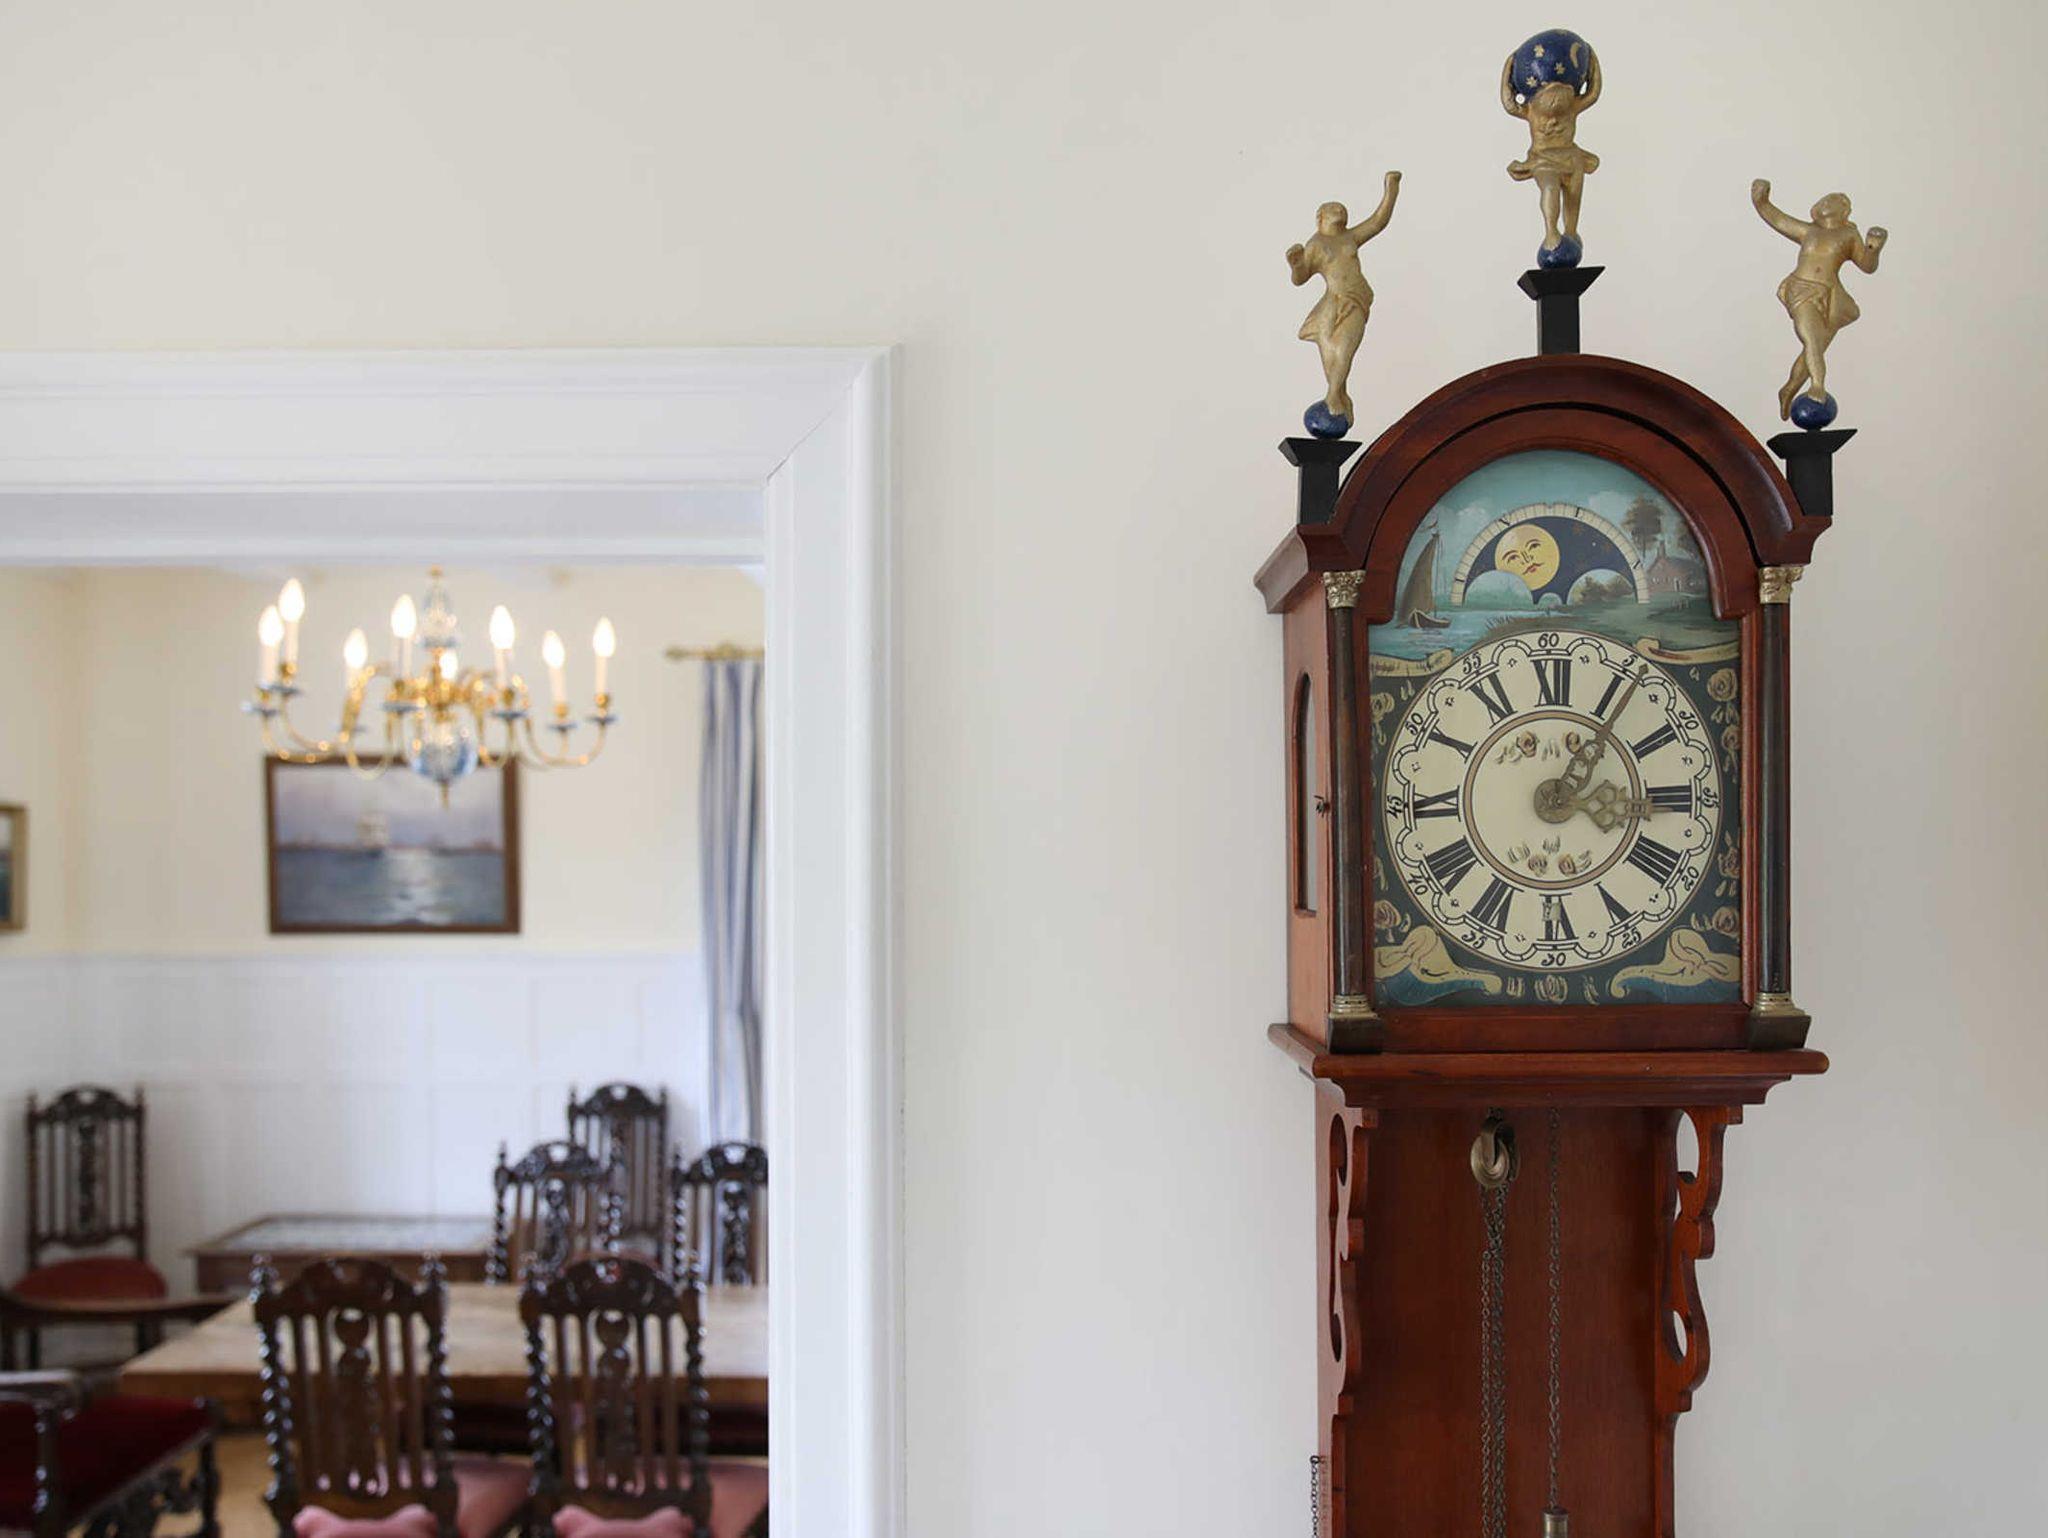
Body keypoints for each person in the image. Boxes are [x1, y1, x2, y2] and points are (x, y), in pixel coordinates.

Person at [1752, 179, 1887, 420]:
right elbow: (1778, 219)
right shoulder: (1808, 231)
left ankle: (1789, 389)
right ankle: (1817, 385)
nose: (1825, 202)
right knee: (1811, 339)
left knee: (1814, 348)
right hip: (1801, 289)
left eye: (1832, 200)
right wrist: (1761, 200)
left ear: (1844, 210)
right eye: (1824, 200)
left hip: (1830, 296)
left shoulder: (1848, 234)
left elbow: (1866, 266)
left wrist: (1873, 248)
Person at [1286, 171, 1402, 428]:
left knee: (1346, 348)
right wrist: (1296, 264)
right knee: (1331, 352)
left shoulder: (1350, 237)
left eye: (1342, 208)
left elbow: (1378, 221)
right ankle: (1340, 395)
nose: (1339, 209)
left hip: (1355, 298)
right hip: (1331, 302)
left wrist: (1391, 189)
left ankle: (1332, 396)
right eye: (1333, 208)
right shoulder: (1316, 244)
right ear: (1320, 218)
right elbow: (1301, 278)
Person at [1501, 48, 1601, 263]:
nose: (1554, 121)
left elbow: (1593, 94)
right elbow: (1510, 105)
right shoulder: (1531, 109)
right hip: (1542, 159)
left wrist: (1592, 62)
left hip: (1571, 157)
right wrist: (1508, 70)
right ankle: (1551, 232)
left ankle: (1571, 232)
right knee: (1550, 187)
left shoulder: (1571, 106)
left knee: (1573, 198)